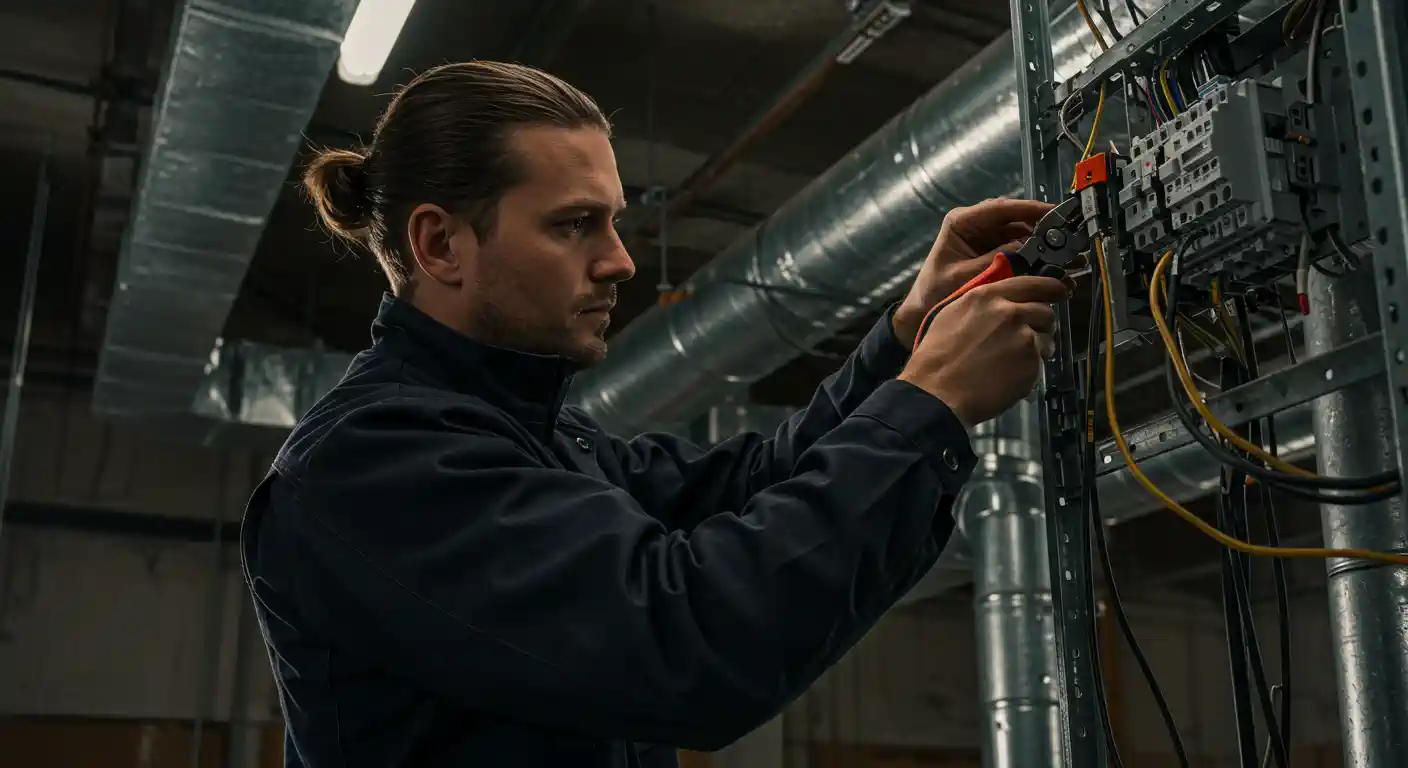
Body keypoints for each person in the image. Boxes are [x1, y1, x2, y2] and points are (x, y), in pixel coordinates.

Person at [240, 60, 1066, 767]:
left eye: (614, 222)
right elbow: (685, 645)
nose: (621, 260)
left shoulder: (533, 437)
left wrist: (904, 340)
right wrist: (929, 406)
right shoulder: (375, 462)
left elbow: (754, 485)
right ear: (440, 245)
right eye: (574, 225)